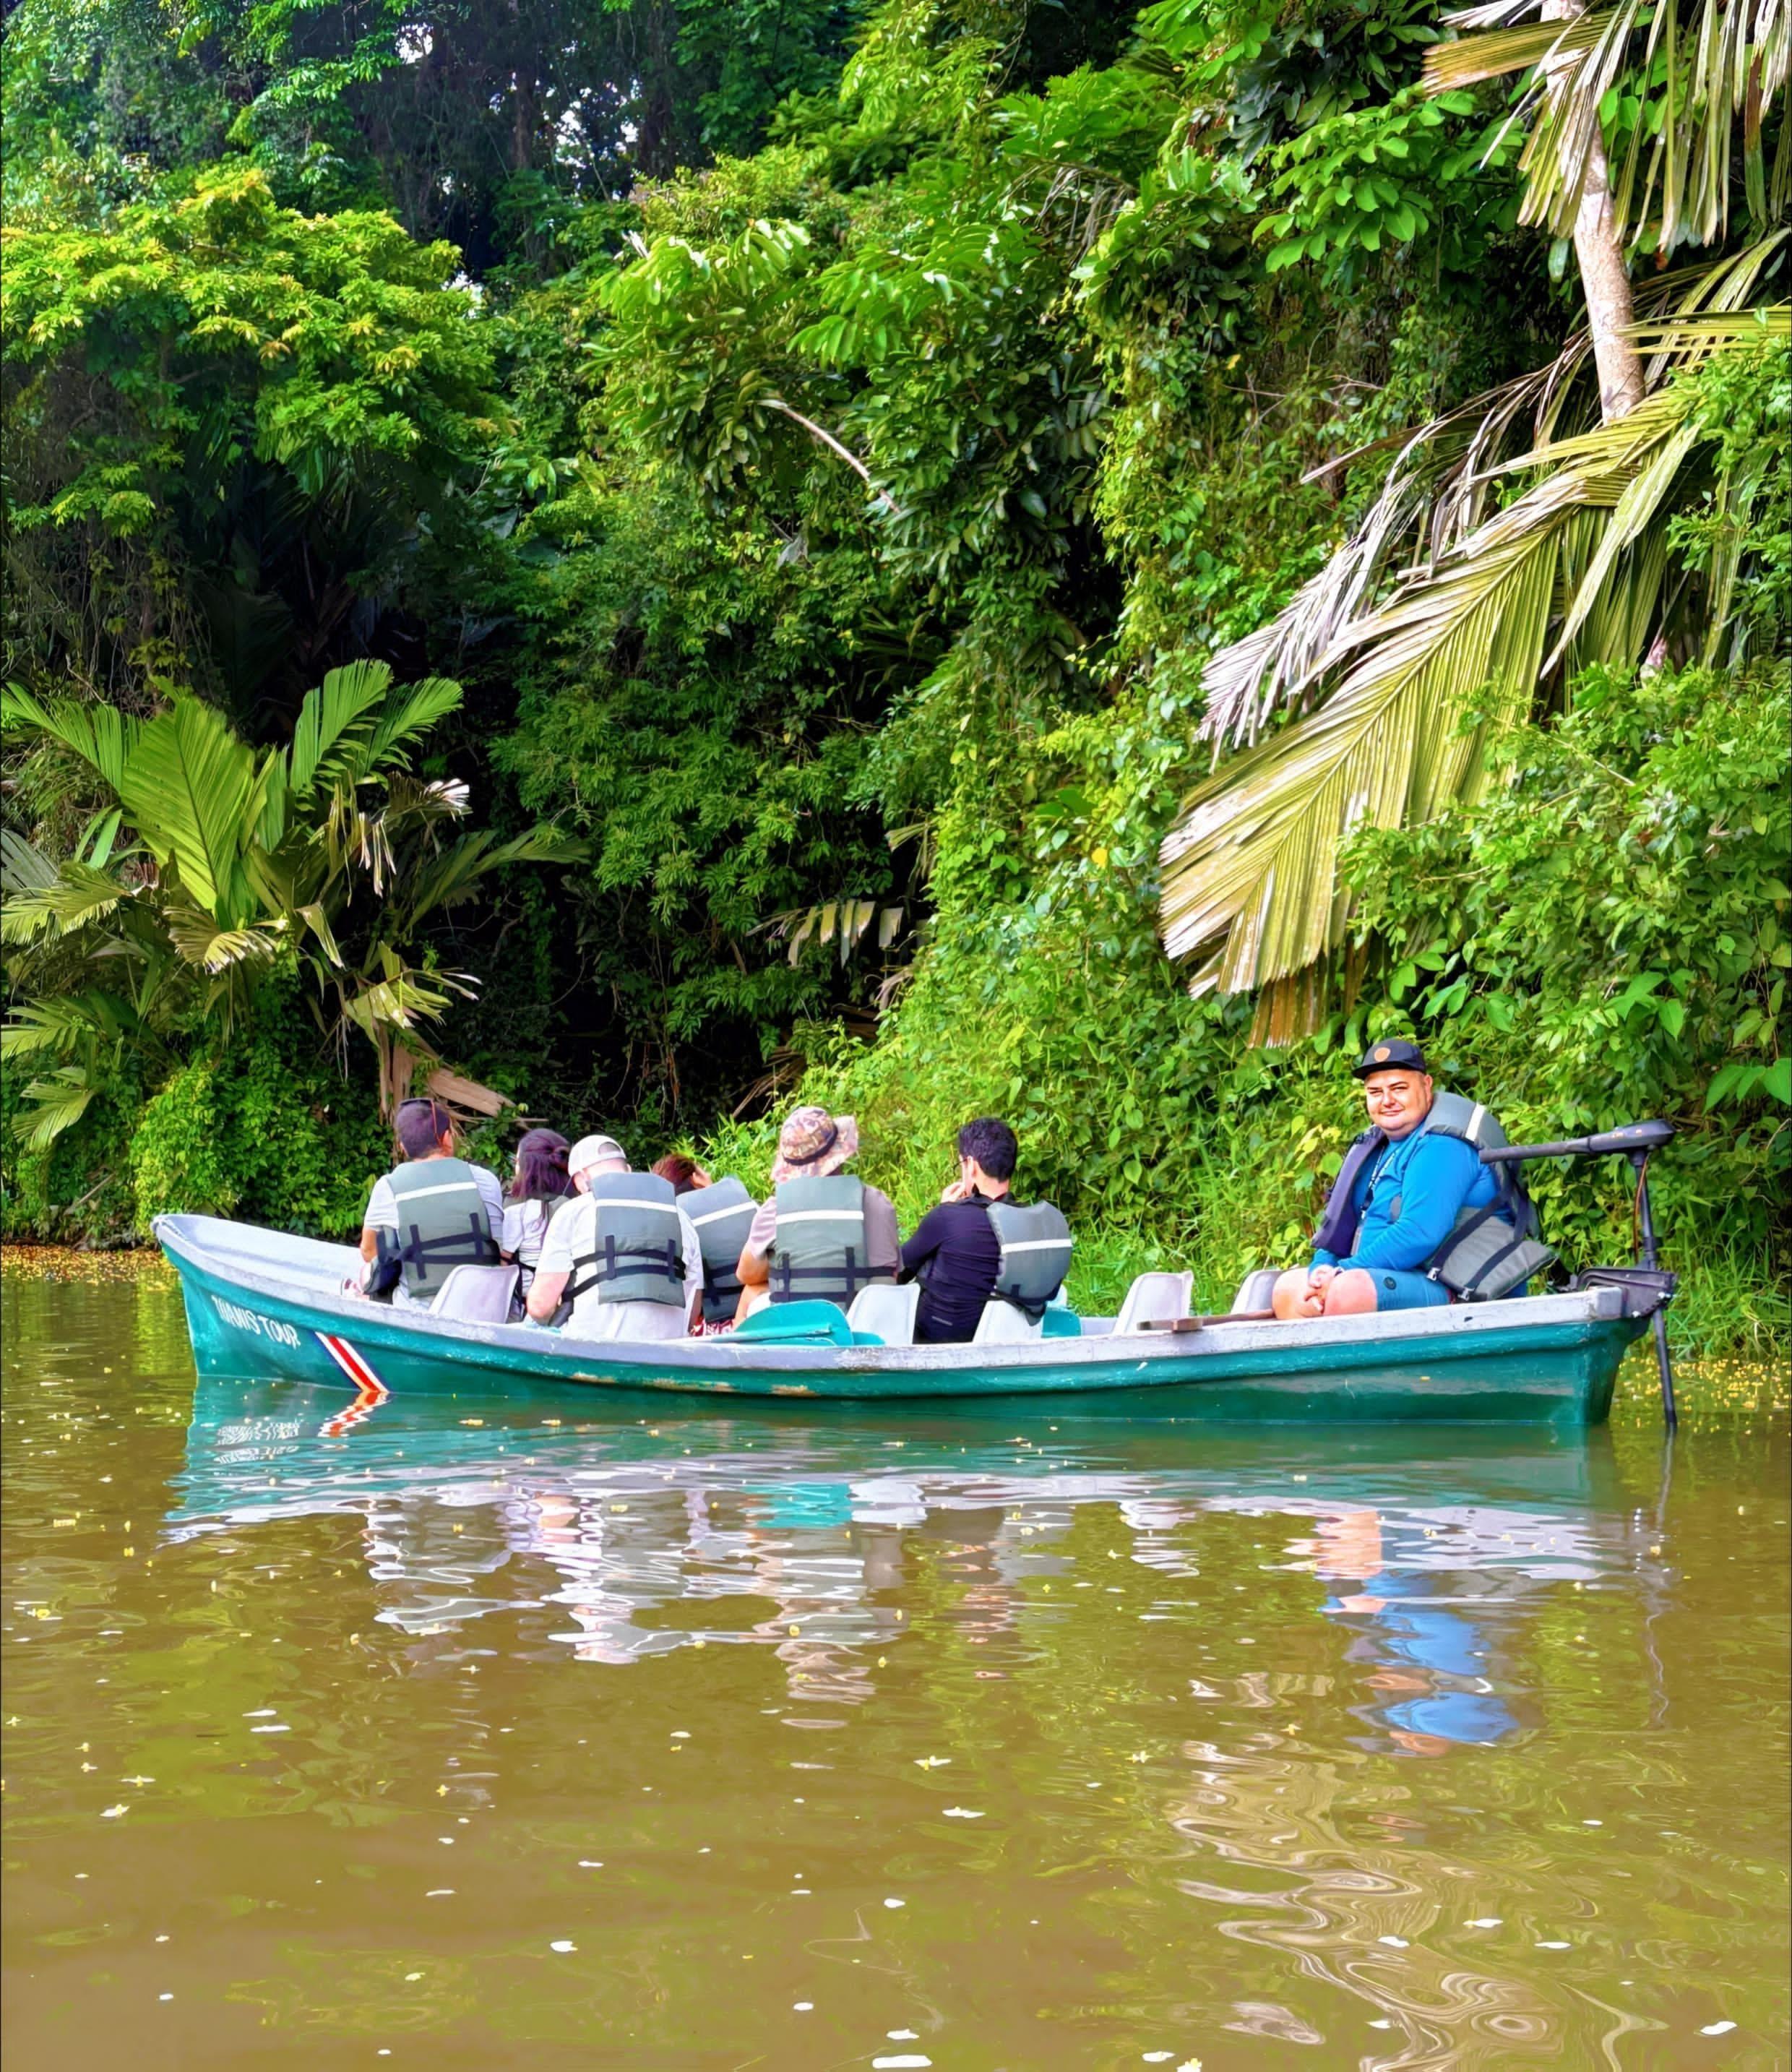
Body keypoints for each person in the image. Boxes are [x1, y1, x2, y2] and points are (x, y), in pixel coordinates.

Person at [1272, 1038, 1543, 1320]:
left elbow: (1419, 1233)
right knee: (1288, 1289)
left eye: (1399, 1089)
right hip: (1379, 1279)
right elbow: (1337, 1237)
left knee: (1348, 1292)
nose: (1387, 1101)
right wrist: (1321, 1274)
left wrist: (1344, 1271)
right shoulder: (1376, 1147)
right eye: (1375, 1092)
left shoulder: (1443, 1146)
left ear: (1426, 1086)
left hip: (1451, 1288)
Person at [899, 1117, 1072, 1343]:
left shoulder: (947, 1218)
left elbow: (897, 1273)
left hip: (941, 1349)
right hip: (1009, 1346)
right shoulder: (1040, 1227)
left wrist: (943, 1211)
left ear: (971, 1165)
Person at [526, 1133, 703, 1340]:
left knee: (532, 1325)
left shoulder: (574, 1211)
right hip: (667, 1351)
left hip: (595, 1350)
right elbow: (692, 1310)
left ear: (581, 1180)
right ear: (627, 1171)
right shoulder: (681, 1216)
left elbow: (540, 1307)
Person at [734, 1106, 899, 1320]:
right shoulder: (879, 1202)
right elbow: (893, 1272)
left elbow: (746, 1274)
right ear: (839, 1152)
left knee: (752, 1291)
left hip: (799, 1326)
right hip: (873, 1321)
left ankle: (732, 1354)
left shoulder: (776, 1210)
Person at [358, 1096, 504, 1309]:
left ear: (403, 1147)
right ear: (447, 1138)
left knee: (367, 1273)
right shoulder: (485, 1180)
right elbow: (499, 1246)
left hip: (422, 1309)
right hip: (486, 1305)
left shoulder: (389, 1186)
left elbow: (368, 1251)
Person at [654, 1154, 761, 1333]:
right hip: (757, 1314)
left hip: (709, 1329)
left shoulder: (672, 1222)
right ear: (696, 1177)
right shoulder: (747, 1204)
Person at [501, 1128, 576, 1300]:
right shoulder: (579, 1205)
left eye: (517, 1161)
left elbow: (503, 1261)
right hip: (570, 1296)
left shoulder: (516, 1208)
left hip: (529, 1297)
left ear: (527, 1168)